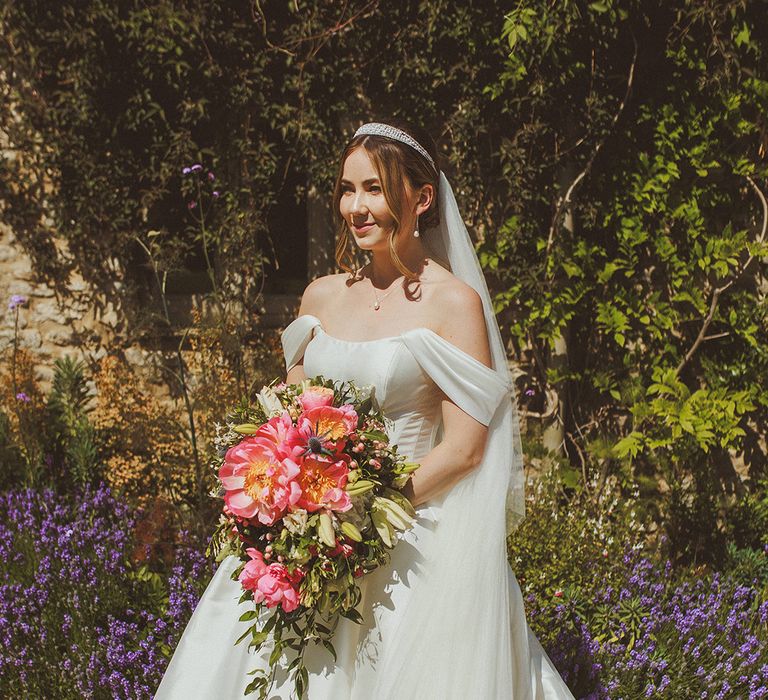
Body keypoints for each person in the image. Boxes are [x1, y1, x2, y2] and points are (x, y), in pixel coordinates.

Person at [155, 120, 574, 699]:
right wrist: (286, 499)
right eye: (348, 189)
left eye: (374, 189)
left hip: (406, 534)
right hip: (305, 539)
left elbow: (465, 448)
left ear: (421, 198)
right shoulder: (322, 296)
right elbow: (291, 419)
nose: (356, 206)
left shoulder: (454, 303)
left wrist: (360, 513)